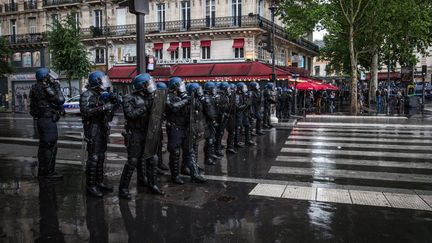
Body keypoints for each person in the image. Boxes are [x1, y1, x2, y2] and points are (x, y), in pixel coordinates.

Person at [118, 73, 165, 199]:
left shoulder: (151, 96)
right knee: (132, 161)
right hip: (135, 133)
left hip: (148, 132)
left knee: (152, 158)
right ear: (141, 85)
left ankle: (152, 184)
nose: (151, 86)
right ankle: (123, 188)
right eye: (148, 83)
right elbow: (130, 115)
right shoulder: (129, 97)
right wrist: (146, 107)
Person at [80, 71, 117, 197]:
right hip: (93, 128)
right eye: (102, 80)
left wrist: (113, 105)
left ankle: (99, 181)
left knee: (101, 156)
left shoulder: (102, 94)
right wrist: (103, 108)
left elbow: (109, 116)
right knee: (94, 158)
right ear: (96, 82)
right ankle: (91, 185)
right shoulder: (87, 94)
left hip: (102, 127)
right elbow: (86, 112)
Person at [165, 77, 206, 184]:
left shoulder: (186, 96)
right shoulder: (168, 96)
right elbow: (173, 107)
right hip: (175, 128)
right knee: (175, 152)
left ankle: (194, 174)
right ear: (175, 86)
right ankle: (175, 176)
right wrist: (186, 100)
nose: (183, 87)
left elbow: (198, 108)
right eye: (180, 85)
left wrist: (197, 98)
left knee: (189, 150)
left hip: (186, 127)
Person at [29, 67, 65, 180]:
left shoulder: (35, 87)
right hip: (47, 120)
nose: (51, 78)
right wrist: (57, 85)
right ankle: (49, 173)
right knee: (50, 146)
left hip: (41, 120)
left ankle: (43, 171)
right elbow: (60, 99)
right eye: (49, 76)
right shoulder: (45, 88)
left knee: (44, 146)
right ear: (45, 78)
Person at [202, 81, 220, 165]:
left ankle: (210, 156)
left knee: (212, 140)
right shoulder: (207, 98)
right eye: (213, 89)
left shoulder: (210, 97)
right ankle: (208, 158)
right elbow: (210, 112)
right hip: (207, 123)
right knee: (210, 140)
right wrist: (213, 119)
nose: (215, 90)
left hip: (210, 122)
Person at [155, 82, 169, 172]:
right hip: (152, 128)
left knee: (159, 146)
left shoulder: (162, 99)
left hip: (158, 126)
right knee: (153, 148)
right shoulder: (154, 99)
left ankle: (160, 163)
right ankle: (155, 167)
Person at [235, 82, 255, 147]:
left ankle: (248, 140)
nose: (245, 88)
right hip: (239, 114)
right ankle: (237, 142)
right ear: (240, 88)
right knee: (238, 128)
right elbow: (237, 107)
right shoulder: (237, 96)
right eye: (244, 87)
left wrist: (250, 111)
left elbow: (248, 104)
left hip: (245, 113)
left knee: (247, 126)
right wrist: (246, 105)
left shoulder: (245, 94)